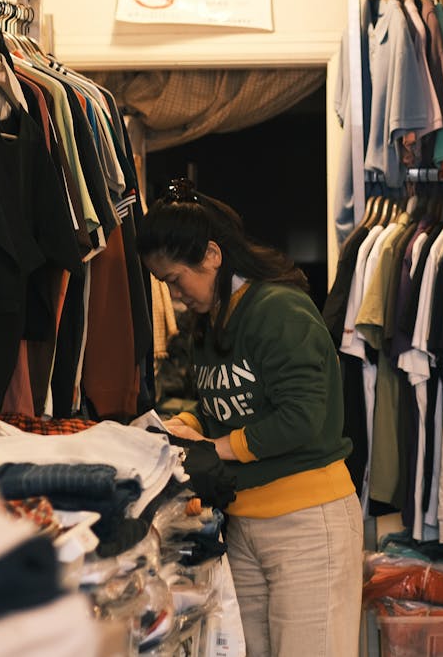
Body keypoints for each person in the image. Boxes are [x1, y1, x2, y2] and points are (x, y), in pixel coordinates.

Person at [137, 178, 362, 657]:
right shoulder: (213, 320)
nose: (175, 296)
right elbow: (229, 403)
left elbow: (301, 416)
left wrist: (213, 448)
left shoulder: (277, 310)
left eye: (176, 279)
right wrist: (191, 426)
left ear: (213, 255)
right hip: (243, 523)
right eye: (165, 284)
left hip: (307, 522)